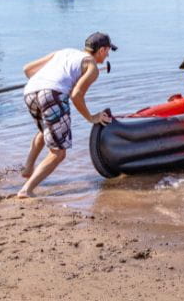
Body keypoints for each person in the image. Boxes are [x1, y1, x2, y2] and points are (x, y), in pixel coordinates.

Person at [18, 32, 115, 198]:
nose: (107, 55)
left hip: (30, 92)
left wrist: (45, 84)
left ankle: (28, 167)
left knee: (45, 131)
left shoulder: (63, 52)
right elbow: (76, 95)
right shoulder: (91, 66)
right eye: (108, 51)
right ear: (102, 50)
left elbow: (27, 69)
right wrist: (92, 117)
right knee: (59, 152)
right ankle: (26, 190)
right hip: (52, 94)